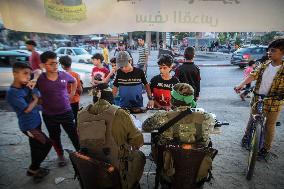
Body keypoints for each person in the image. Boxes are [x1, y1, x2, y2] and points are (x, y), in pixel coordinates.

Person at [142, 83, 215, 187]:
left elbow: (146, 126)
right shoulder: (207, 117)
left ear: (173, 99)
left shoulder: (163, 116)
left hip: (169, 170)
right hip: (197, 170)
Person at [77, 93, 145, 189]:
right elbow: (138, 142)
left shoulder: (80, 115)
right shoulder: (120, 114)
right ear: (112, 100)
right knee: (139, 155)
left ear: (93, 100)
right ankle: (130, 184)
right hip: (115, 174)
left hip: (90, 171)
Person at [235, 38, 284, 158]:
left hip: (275, 102)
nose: (269, 53)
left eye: (273, 51)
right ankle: (246, 137)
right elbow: (253, 75)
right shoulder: (264, 65)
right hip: (258, 99)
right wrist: (241, 85)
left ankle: (265, 149)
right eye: (269, 51)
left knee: (270, 125)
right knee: (252, 119)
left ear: (282, 53)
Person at [6, 62, 52, 182]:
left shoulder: (26, 85)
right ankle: (33, 168)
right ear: (15, 74)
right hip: (29, 126)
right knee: (47, 144)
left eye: (28, 74)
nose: (28, 76)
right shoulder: (12, 92)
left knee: (35, 147)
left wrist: (34, 79)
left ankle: (36, 169)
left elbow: (38, 71)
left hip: (36, 122)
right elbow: (27, 109)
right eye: (25, 73)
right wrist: (36, 98)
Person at [35, 51, 80, 166]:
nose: (55, 66)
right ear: (44, 65)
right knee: (55, 137)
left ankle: (81, 154)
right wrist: (37, 98)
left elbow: (74, 81)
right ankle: (60, 156)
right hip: (49, 115)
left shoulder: (64, 75)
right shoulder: (40, 79)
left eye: (56, 63)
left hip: (66, 112)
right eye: (51, 64)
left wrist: (72, 94)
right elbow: (30, 86)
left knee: (74, 134)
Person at [59, 56, 83, 127]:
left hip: (65, 100)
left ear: (63, 65)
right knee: (76, 115)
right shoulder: (76, 75)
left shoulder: (61, 75)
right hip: (75, 99)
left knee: (67, 115)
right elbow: (80, 89)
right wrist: (79, 95)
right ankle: (76, 128)